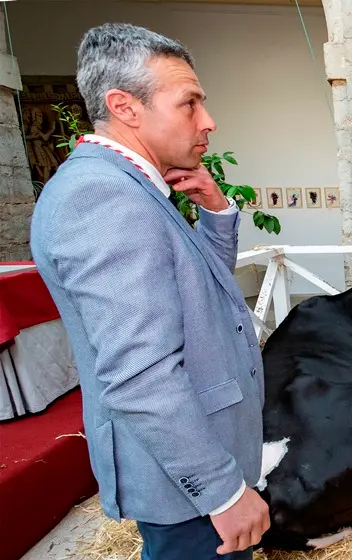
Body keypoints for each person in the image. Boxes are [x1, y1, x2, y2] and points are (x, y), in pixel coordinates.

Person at [29, 23, 269, 559]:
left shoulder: (128, 186)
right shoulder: (104, 198)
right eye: (189, 104)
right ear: (125, 107)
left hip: (198, 460)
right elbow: (139, 374)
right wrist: (223, 491)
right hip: (188, 486)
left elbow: (205, 293)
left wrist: (216, 212)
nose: (208, 121)